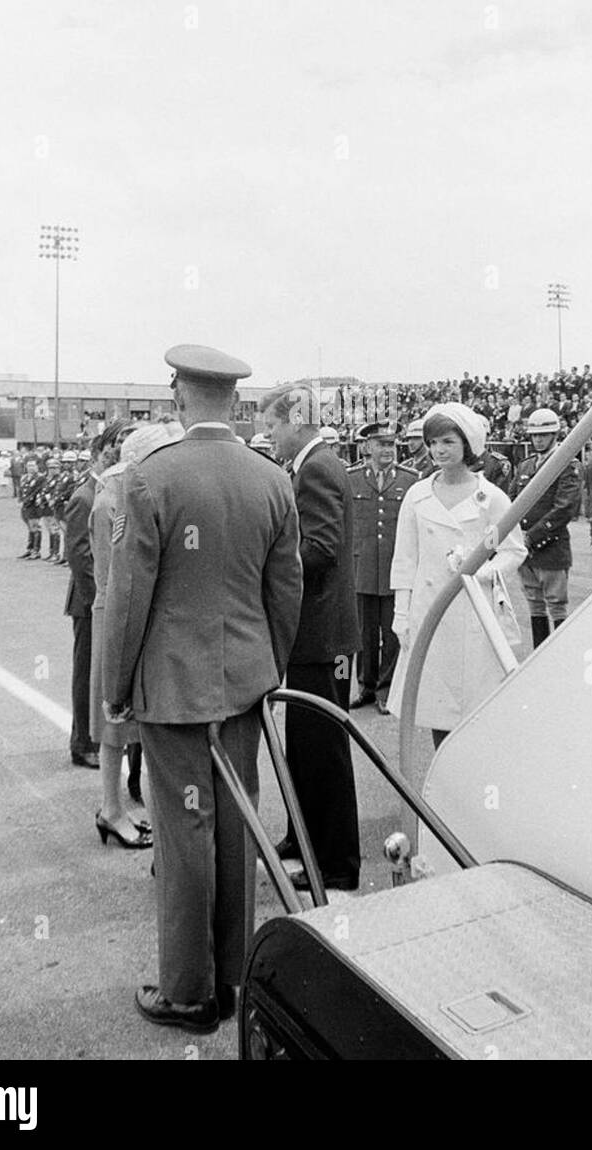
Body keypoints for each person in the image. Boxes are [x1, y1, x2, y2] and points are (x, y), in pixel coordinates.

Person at [104, 345, 302, 1034]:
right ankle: (232, 980)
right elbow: (287, 589)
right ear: (237, 403)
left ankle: (189, 994)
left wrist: (116, 688)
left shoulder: (152, 478)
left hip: (174, 687)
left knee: (186, 834)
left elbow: (127, 599)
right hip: (243, 685)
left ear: (179, 398)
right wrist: (265, 668)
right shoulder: (271, 478)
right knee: (236, 826)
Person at [259, 381, 361, 894]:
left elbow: (320, 550)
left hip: (321, 635)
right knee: (303, 747)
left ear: (296, 421)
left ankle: (338, 862)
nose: (268, 435)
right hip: (311, 633)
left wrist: (267, 567)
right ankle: (302, 839)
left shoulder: (318, 468)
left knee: (324, 750)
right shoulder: (307, 466)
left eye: (273, 426)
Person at [387, 403, 527, 748]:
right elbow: (405, 559)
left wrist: (481, 571)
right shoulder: (417, 495)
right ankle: (443, 783)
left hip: (474, 613)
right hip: (429, 611)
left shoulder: (490, 498)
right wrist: (401, 614)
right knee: (438, 707)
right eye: (433, 443)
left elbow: (513, 550)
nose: (439, 450)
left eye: (448, 442)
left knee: (473, 707)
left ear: (468, 444)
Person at [88, 419, 154, 849]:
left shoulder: (120, 494)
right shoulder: (111, 501)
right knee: (114, 722)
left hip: (124, 615)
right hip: (114, 618)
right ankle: (111, 810)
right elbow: (114, 581)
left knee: (126, 723)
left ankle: (117, 807)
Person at [347, 422, 416, 713]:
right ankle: (366, 686)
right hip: (362, 567)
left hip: (394, 566)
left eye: (391, 444)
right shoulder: (351, 478)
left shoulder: (411, 479)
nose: (387, 449)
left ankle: (386, 690)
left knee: (391, 633)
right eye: (380, 444)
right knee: (363, 633)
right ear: (367, 447)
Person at [508, 408, 582, 646]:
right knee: (534, 603)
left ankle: (558, 655)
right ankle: (539, 654)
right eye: (535, 435)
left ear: (555, 434)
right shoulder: (526, 465)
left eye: (544, 434)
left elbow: (565, 508)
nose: (538, 439)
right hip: (526, 547)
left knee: (556, 604)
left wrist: (531, 537)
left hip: (550, 546)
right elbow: (512, 501)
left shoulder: (566, 464)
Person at [63, 440, 103, 769]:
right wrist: (99, 600)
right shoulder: (84, 497)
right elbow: (78, 556)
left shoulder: (103, 492)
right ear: (96, 456)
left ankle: (94, 739)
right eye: (108, 453)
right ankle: (83, 744)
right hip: (89, 601)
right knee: (87, 674)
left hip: (100, 600)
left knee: (99, 674)